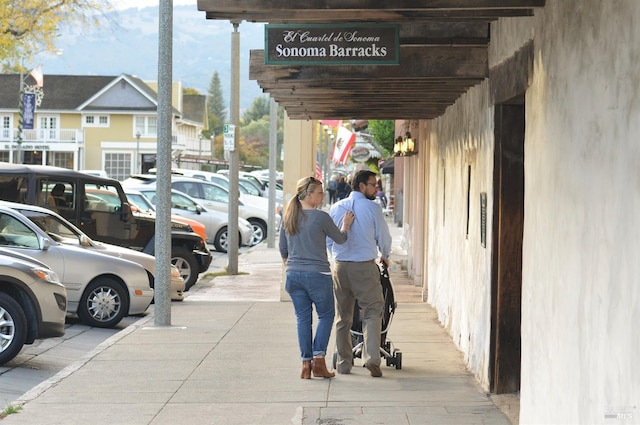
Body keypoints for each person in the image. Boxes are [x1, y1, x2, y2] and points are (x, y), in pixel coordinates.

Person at [279, 176, 354, 379]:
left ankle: (306, 364)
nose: (322, 195)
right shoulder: (320, 217)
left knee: (303, 319)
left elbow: (283, 249)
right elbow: (340, 239)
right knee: (326, 316)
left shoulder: (288, 216)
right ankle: (319, 361)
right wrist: (346, 225)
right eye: (319, 192)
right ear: (309, 194)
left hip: (293, 275)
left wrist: (293, 268)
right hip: (318, 275)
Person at [327, 169, 392, 377]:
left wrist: (337, 254)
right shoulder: (372, 208)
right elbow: (384, 236)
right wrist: (385, 254)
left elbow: (329, 240)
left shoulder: (336, 208)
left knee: (343, 316)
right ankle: (372, 358)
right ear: (362, 186)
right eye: (373, 184)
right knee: (372, 311)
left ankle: (344, 363)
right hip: (364, 266)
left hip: (340, 266)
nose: (376, 188)